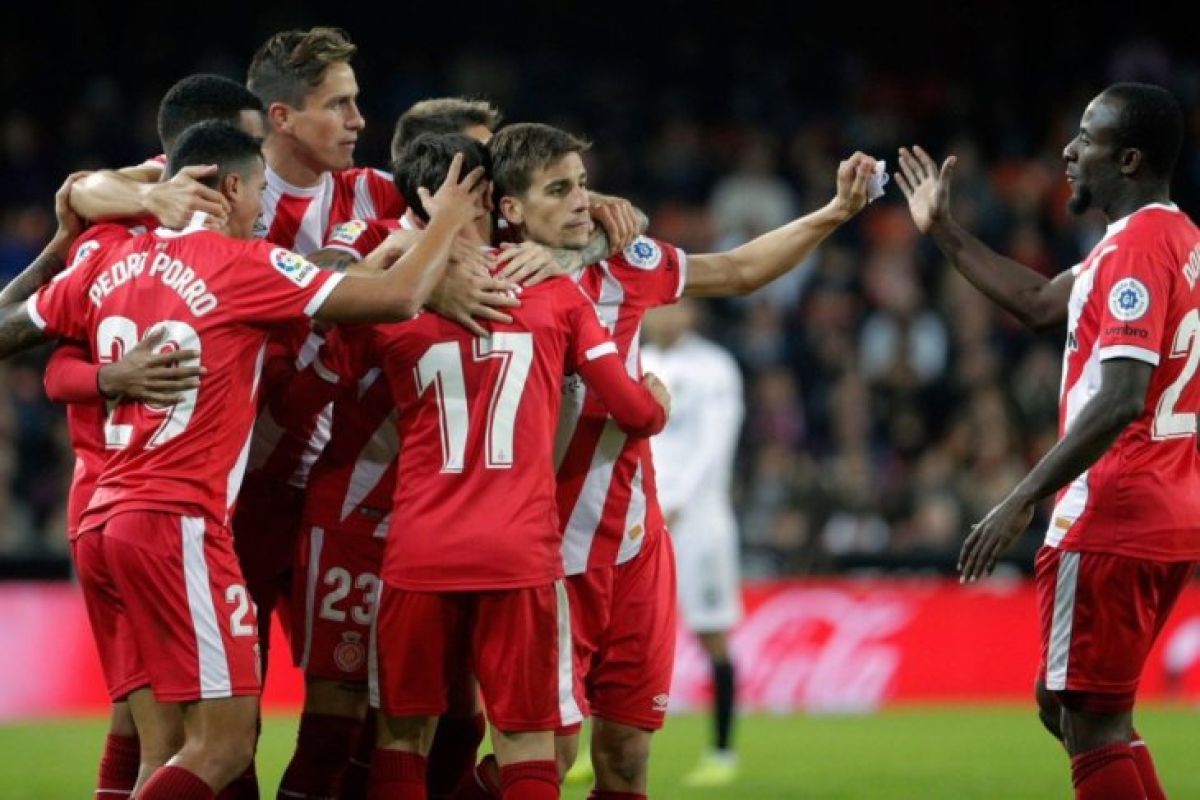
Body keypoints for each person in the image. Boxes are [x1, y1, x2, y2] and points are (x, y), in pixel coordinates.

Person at [0, 120, 485, 798]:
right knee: (225, 745)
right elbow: (398, 297)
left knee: (164, 745)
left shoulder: (107, 258)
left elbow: (9, 327)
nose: (264, 211)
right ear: (230, 187)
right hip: (180, 523)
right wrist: (448, 224)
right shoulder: (246, 265)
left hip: (104, 522)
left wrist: (62, 237)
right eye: (259, 191)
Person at [483, 122, 878, 798]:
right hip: (545, 551)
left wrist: (833, 212)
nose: (584, 201)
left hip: (636, 544)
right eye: (561, 189)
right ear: (510, 210)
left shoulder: (628, 262)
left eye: (584, 184)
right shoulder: (489, 278)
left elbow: (740, 270)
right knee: (546, 756)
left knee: (628, 755)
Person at [323, 132, 669, 800]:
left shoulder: (390, 302)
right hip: (520, 552)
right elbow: (633, 411)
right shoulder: (554, 295)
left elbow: (322, 340)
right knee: (530, 742)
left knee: (401, 738)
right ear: (490, 197)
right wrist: (654, 401)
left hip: (418, 549)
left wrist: (401, 260)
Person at [896, 82, 1200, 800]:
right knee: (1067, 704)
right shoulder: (1171, 239)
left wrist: (1021, 498)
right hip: (1167, 510)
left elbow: (1122, 396)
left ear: (1127, 160)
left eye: (1086, 139)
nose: (1067, 151)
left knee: (1089, 724)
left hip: (1113, 513)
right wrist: (942, 231)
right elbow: (1037, 304)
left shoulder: (1136, 253)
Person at [640, 298, 745, 788]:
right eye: (655, 308)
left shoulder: (715, 368)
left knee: (711, 633)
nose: (662, 317)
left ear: (691, 314)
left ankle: (722, 753)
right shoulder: (637, 360)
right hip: (642, 517)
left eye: (672, 308)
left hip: (699, 520)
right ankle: (596, 750)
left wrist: (676, 500)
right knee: (617, 635)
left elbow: (716, 443)